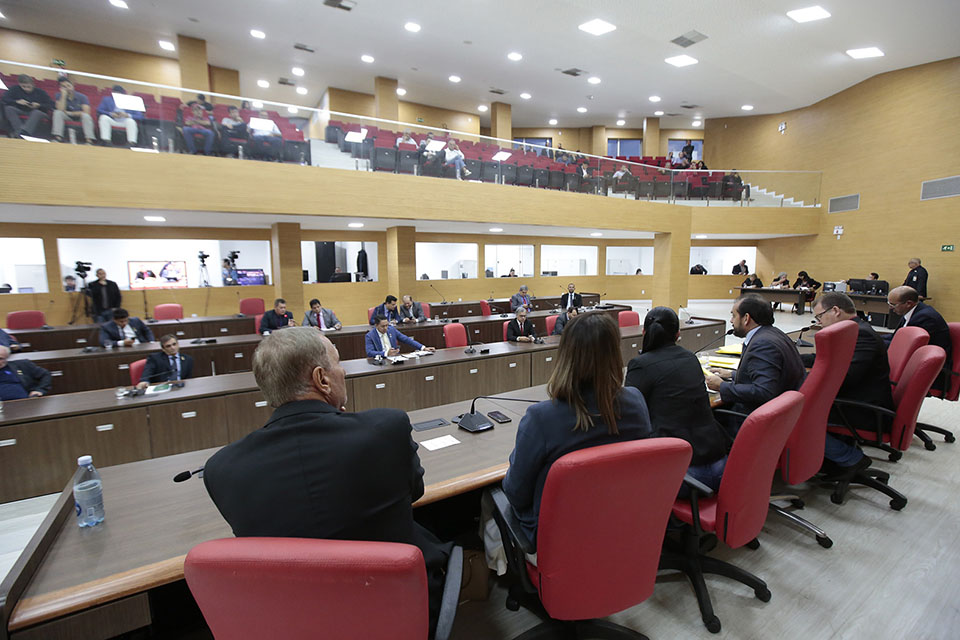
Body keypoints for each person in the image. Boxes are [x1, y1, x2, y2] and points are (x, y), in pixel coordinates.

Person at [202, 328, 451, 635]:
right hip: (398, 612)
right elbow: (416, 491)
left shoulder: (221, 469)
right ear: (321, 379)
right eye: (338, 362)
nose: (343, 371)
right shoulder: (386, 429)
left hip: (294, 623)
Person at [502, 312, 652, 548]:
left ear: (566, 355)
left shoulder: (541, 418)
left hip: (557, 541)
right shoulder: (635, 402)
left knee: (489, 501)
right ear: (615, 353)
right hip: (619, 526)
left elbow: (516, 493)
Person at [625, 307, 728, 494]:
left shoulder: (640, 365)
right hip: (723, 468)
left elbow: (629, 415)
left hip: (683, 477)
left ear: (643, 332)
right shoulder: (691, 358)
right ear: (678, 334)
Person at [802, 292, 893, 475]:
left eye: (820, 316)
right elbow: (825, 359)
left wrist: (806, 382)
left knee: (794, 416)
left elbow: (845, 378)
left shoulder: (861, 334)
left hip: (862, 409)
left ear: (835, 311)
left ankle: (850, 458)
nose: (819, 322)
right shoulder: (853, 330)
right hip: (856, 398)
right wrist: (792, 358)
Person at [705, 294, 805, 434]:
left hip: (756, 421)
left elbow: (764, 392)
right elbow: (770, 375)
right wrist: (732, 374)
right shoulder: (774, 333)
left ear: (746, 318)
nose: (731, 320)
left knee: (703, 417)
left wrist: (722, 386)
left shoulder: (762, 344)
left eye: (734, 315)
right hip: (781, 412)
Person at [886, 286, 952, 391]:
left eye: (893, 304)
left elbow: (905, 347)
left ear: (908, 303)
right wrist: (874, 339)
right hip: (913, 360)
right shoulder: (912, 312)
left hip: (931, 372)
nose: (890, 307)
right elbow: (896, 338)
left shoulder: (925, 318)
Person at [2, 74, 52, 139]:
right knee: (9, 109)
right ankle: (21, 133)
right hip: (20, 109)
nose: (26, 89)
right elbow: (4, 99)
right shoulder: (15, 89)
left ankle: (22, 134)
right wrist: (17, 101)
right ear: (19, 85)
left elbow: (50, 105)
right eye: (23, 87)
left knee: (36, 112)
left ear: (33, 84)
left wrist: (39, 105)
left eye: (29, 87)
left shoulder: (41, 92)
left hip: (37, 111)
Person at [365, 315, 434, 357]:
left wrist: (423, 348)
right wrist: (386, 353)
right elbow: (370, 352)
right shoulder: (370, 336)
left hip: (395, 359)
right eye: (383, 326)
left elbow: (406, 339)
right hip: (381, 362)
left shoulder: (391, 329)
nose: (386, 328)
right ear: (376, 325)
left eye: (387, 325)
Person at [51, 78, 94, 143]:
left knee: (86, 116)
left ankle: (89, 140)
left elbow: (86, 112)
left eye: (68, 86)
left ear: (73, 86)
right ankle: (58, 138)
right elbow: (60, 109)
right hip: (66, 117)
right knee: (57, 113)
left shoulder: (82, 97)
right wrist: (63, 96)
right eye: (64, 87)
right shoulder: (58, 95)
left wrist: (70, 113)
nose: (67, 88)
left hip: (79, 117)